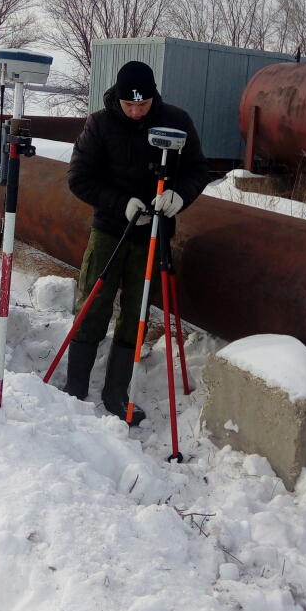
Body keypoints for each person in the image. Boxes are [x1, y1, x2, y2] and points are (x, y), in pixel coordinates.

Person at [65, 60, 209, 424]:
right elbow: (78, 178)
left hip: (152, 236)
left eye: (142, 105)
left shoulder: (176, 121)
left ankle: (116, 393)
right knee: (94, 303)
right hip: (110, 230)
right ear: (118, 97)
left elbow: (198, 171)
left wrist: (179, 195)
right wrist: (119, 203)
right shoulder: (99, 124)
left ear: (152, 96)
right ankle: (74, 386)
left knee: (136, 313)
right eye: (129, 105)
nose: (135, 111)